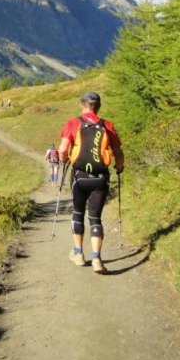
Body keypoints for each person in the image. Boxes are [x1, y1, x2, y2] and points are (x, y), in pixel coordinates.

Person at [57, 91, 124, 274]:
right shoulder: (107, 125)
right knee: (95, 217)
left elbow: (63, 150)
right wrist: (119, 167)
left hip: (79, 176)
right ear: (99, 106)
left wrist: (63, 161)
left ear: (81, 105)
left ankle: (78, 254)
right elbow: (118, 152)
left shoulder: (73, 123)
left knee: (78, 213)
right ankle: (97, 259)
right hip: (100, 177)